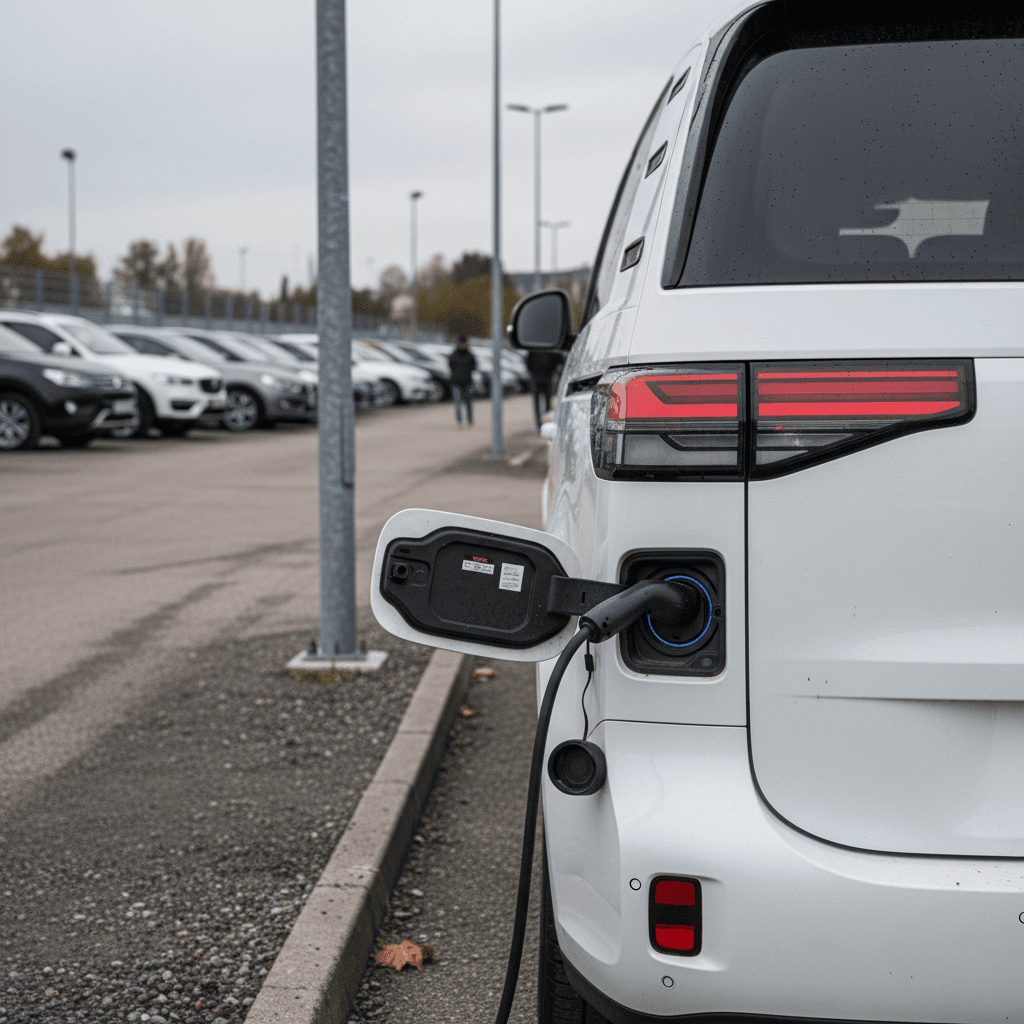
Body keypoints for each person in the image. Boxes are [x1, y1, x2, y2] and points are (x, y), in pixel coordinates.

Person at [526, 348, 563, 430]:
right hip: (542, 377)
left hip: (544, 377)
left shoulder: (540, 346)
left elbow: (528, 361)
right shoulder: (546, 345)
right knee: (544, 402)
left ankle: (542, 424)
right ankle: (541, 424)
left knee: (542, 402)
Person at [448, 336, 476, 426]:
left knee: (466, 402)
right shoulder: (456, 355)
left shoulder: (467, 355)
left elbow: (474, 367)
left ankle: (468, 419)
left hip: (466, 382)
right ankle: (460, 420)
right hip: (458, 383)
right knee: (459, 402)